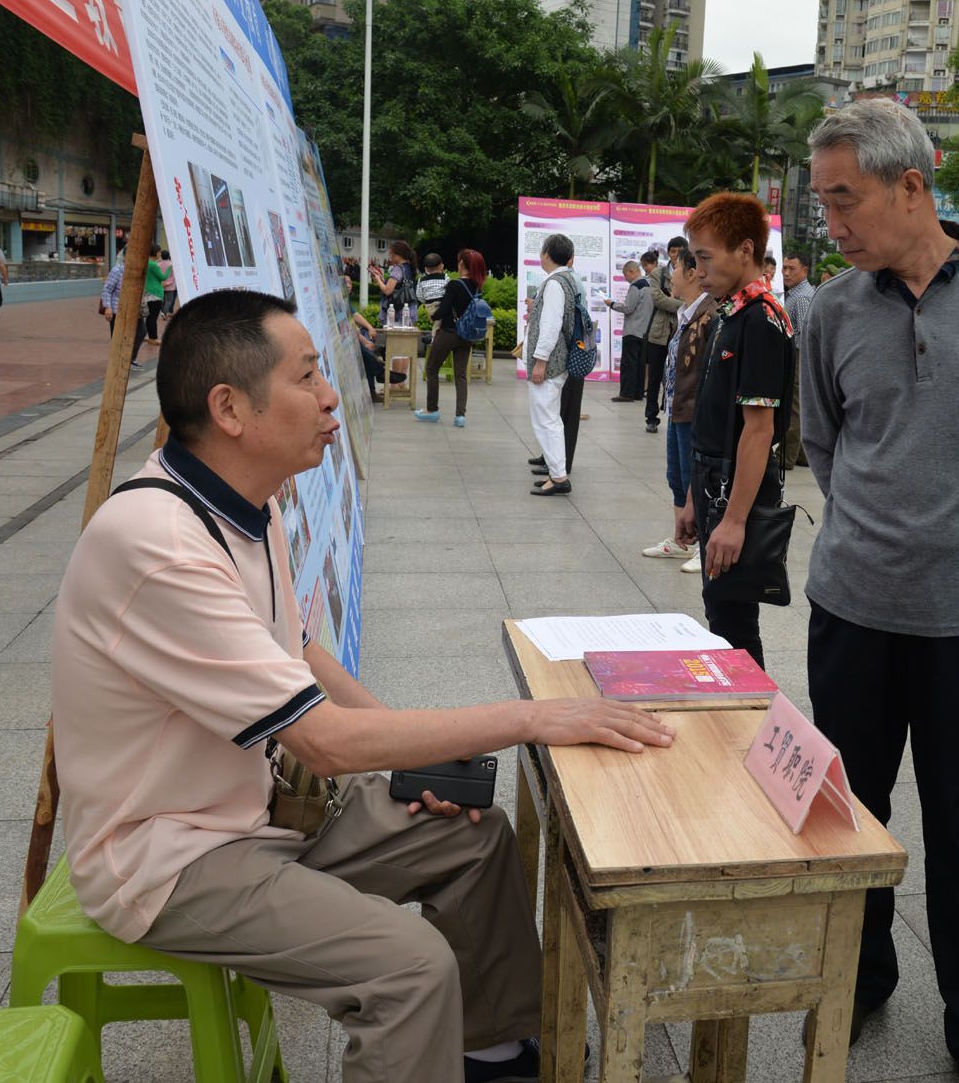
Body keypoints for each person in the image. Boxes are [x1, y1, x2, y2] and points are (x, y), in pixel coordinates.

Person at [52, 289, 674, 1083]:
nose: (329, 396)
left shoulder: (246, 501)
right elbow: (320, 741)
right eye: (308, 375)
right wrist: (534, 716)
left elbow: (298, 648)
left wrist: (420, 767)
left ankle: (490, 1050)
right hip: (176, 857)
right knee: (408, 968)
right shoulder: (155, 544)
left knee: (474, 836)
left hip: (266, 811)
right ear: (229, 408)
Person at [802, 98, 959, 1083]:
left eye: (844, 200)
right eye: (822, 202)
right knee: (850, 819)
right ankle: (859, 980)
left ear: (912, 187)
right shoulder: (828, 310)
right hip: (852, 614)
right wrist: (880, 535)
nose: (831, 223)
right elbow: (824, 446)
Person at [673, 193, 795, 668]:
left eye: (705, 258)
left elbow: (758, 431)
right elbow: (713, 415)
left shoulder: (762, 319)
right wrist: (690, 497)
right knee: (721, 611)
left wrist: (735, 520)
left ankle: (754, 729)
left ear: (745, 250)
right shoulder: (730, 312)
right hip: (710, 485)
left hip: (733, 491)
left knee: (734, 625)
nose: (698, 270)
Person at [641, 248, 714, 573]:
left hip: (694, 411)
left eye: (675, 271)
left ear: (693, 273)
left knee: (695, 479)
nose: (670, 278)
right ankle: (681, 540)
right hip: (676, 408)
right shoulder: (686, 312)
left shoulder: (709, 314)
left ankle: (704, 544)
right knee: (677, 476)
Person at [527, 235, 584, 496]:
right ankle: (556, 471)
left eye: (542, 251)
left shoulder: (554, 284)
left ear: (547, 253)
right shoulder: (569, 279)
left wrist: (540, 361)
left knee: (546, 419)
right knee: (550, 418)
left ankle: (559, 476)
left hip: (550, 361)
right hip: (560, 358)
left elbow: (550, 326)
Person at [416, 249, 486, 428]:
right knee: (460, 375)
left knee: (431, 369)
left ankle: (432, 410)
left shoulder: (454, 285)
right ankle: (460, 416)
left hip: (449, 332)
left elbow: (444, 309)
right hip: (467, 336)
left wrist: (433, 316)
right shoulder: (477, 286)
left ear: (462, 264)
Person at [777, 253, 816, 472]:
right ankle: (801, 455)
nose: (787, 273)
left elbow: (803, 333)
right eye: (785, 268)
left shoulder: (801, 297)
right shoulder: (796, 294)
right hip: (796, 355)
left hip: (798, 355)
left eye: (792, 268)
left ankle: (787, 456)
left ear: (805, 271)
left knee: (794, 407)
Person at [642, 249, 682, 434]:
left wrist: (674, 300)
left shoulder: (690, 272)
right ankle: (651, 417)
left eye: (679, 252)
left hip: (679, 332)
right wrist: (680, 303)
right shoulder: (659, 273)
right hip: (659, 332)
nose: (675, 255)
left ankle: (672, 413)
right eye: (673, 251)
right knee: (655, 378)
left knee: (676, 377)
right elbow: (657, 299)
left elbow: (692, 298)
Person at [606, 260, 653, 402]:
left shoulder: (636, 286)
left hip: (632, 331)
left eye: (625, 275)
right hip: (645, 331)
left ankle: (627, 393)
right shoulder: (649, 285)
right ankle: (638, 393)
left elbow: (628, 308)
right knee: (639, 364)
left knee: (629, 364)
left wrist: (612, 304)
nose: (626, 279)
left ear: (631, 272)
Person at [368, 240, 419, 325]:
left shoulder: (398, 269)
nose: (390, 257)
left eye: (391, 254)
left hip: (397, 312)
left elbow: (387, 291)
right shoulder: (409, 268)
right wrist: (381, 277)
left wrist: (378, 280)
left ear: (398, 254)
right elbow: (398, 286)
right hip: (408, 310)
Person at [144, 246, 169, 346]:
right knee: (153, 317)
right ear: (155, 253)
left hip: (148, 292)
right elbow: (163, 277)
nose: (160, 254)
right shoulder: (153, 265)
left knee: (150, 317)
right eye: (159, 252)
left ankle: (150, 336)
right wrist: (169, 269)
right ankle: (153, 338)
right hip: (155, 293)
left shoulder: (146, 263)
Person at [418, 253, 449, 325]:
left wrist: (425, 301)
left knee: (435, 323)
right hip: (441, 304)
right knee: (439, 325)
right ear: (442, 266)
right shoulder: (445, 277)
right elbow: (449, 291)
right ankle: (434, 336)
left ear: (426, 268)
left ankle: (435, 334)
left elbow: (419, 295)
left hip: (429, 305)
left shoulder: (421, 280)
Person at [160, 252, 178, 318]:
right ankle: (164, 312)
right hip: (170, 286)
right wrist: (167, 283)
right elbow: (173, 276)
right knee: (169, 300)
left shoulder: (158, 264)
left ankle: (163, 311)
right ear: (169, 256)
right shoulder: (171, 264)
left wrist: (162, 283)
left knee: (163, 300)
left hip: (161, 285)